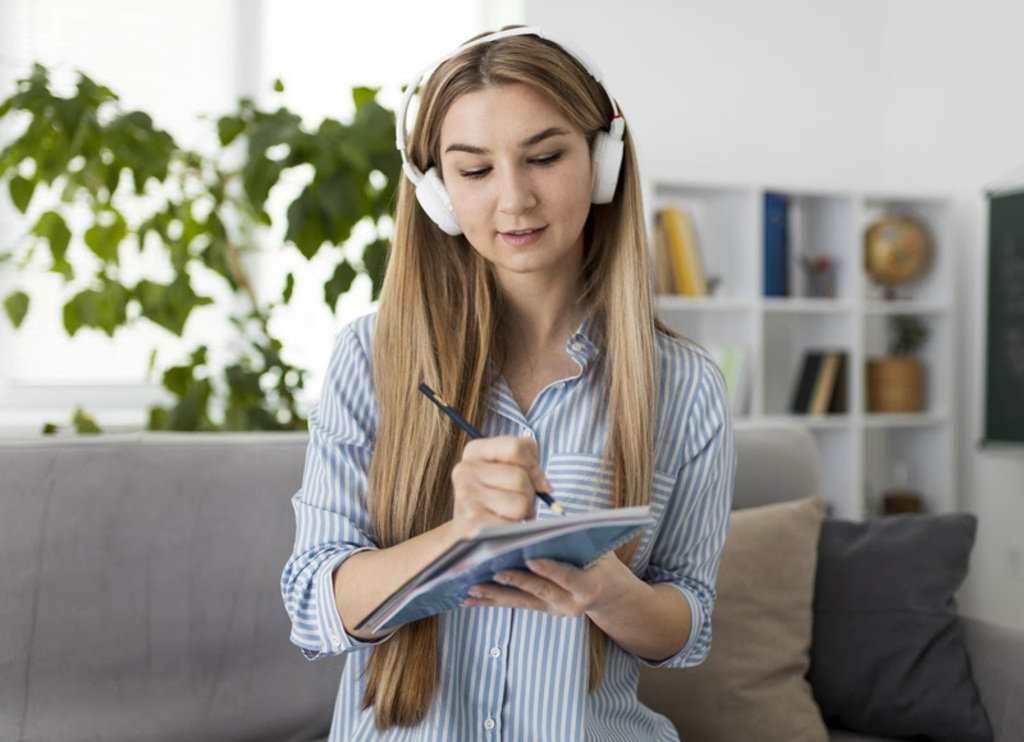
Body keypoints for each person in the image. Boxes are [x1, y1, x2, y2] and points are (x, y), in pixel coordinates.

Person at [280, 26, 735, 741]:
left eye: (545, 156)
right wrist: (461, 539)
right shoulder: (371, 357)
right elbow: (315, 605)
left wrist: (608, 589)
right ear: (436, 194)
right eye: (474, 170)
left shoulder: (684, 386)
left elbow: (687, 629)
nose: (514, 199)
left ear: (603, 161)